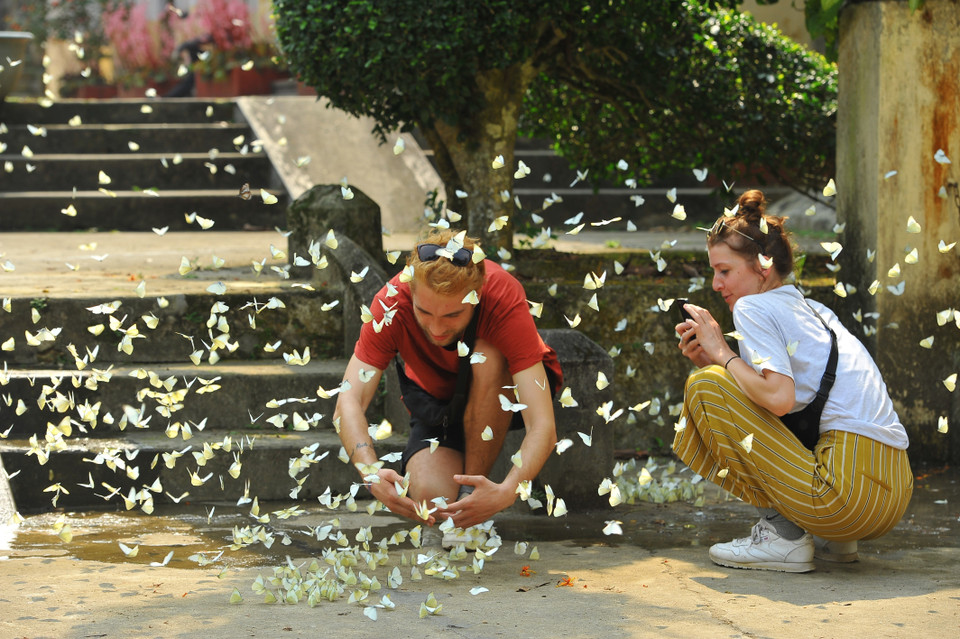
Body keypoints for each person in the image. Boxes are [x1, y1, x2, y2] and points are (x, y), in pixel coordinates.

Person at [673, 189, 912, 573]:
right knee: (722, 378)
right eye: (714, 272)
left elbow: (780, 399)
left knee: (705, 386)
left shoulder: (753, 306)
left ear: (763, 266)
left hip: (845, 497)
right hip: (892, 496)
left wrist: (721, 357)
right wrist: (716, 358)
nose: (716, 284)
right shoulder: (813, 310)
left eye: (725, 271)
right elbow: (789, 403)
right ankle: (832, 540)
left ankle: (782, 537)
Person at [333, 229, 562, 540]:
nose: (437, 328)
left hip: (505, 391)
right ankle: (461, 502)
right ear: (410, 291)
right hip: (437, 402)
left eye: (453, 314)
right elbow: (349, 399)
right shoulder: (390, 300)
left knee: (487, 356)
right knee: (432, 499)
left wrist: (507, 491)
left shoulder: (502, 293)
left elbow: (543, 425)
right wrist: (370, 473)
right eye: (424, 312)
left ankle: (473, 489)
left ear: (477, 295)